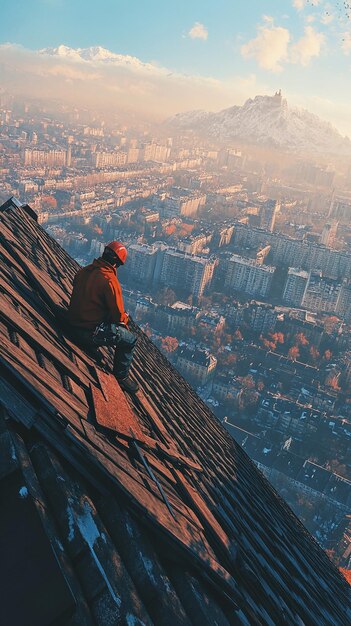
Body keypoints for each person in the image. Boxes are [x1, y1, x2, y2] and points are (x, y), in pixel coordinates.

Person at [68, 241, 139, 393]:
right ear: (117, 264)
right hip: (87, 333)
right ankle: (121, 377)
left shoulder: (85, 270)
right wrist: (124, 322)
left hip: (72, 322)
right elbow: (119, 316)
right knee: (130, 340)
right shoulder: (110, 281)